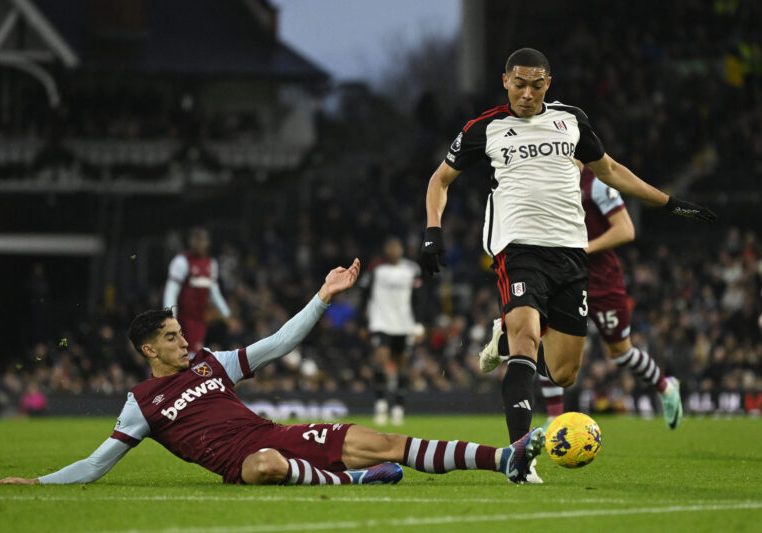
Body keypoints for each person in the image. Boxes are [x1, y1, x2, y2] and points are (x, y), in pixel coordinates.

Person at [0, 259, 544, 486]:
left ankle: (505, 460)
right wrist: (38, 483)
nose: (183, 339)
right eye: (170, 336)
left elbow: (280, 343)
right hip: (247, 460)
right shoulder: (141, 403)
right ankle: (350, 482)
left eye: (180, 332)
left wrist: (322, 297)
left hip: (275, 434)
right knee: (264, 466)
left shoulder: (213, 363)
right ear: (147, 350)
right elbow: (97, 464)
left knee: (385, 440)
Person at [419, 48, 715, 450]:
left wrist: (670, 202)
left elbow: (610, 170)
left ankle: (503, 342)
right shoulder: (484, 128)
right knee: (527, 337)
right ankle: (519, 457)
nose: (527, 93)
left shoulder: (571, 120)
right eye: (519, 84)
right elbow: (440, 180)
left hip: (572, 253)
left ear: (548, 84)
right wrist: (433, 231)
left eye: (536, 85)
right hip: (518, 246)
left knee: (563, 373)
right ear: (505, 81)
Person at [480, 167, 684, 431]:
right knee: (542, 338)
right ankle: (555, 417)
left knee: (620, 352)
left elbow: (625, 229)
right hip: (559, 274)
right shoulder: (544, 176)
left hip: (601, 280)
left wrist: (581, 248)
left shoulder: (595, 182)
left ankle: (666, 387)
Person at [359, 237, 422, 426]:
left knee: (402, 365)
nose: (394, 250)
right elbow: (364, 296)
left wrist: (419, 324)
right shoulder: (375, 270)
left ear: (402, 250)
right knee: (381, 359)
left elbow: (420, 298)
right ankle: (380, 404)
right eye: (390, 247)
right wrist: (363, 323)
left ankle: (398, 407)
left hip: (404, 324)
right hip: (381, 323)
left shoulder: (412, 270)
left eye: (397, 247)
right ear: (385, 251)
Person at [163, 227, 231, 355]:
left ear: (207, 243)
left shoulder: (211, 264)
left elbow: (214, 292)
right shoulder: (181, 262)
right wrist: (170, 317)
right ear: (191, 242)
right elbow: (171, 292)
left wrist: (226, 314)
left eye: (202, 240)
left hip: (200, 319)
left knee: (193, 354)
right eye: (196, 240)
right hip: (184, 318)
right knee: (187, 354)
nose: (199, 243)